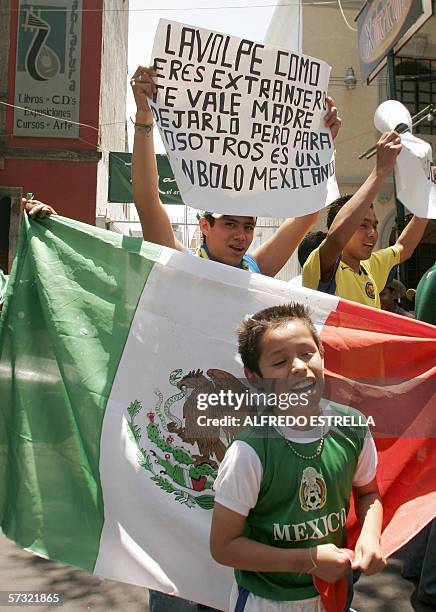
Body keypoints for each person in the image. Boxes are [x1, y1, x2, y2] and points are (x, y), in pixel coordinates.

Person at [211, 303, 386, 611]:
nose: (298, 367)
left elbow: (368, 493)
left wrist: (371, 537)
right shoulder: (249, 452)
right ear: (255, 379)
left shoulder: (353, 427)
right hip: (268, 601)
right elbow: (223, 547)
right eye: (279, 361)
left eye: (307, 353)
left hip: (334, 594)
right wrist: (306, 560)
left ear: (323, 354)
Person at [130, 66, 342, 277]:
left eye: (248, 227)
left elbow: (306, 216)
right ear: (205, 225)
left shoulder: (255, 270)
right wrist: (144, 115)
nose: (241, 236)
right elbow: (147, 203)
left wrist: (320, 146)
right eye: (230, 224)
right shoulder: (181, 264)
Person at [302, 131, 428, 308]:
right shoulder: (320, 265)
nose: (372, 233)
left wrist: (427, 198)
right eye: (362, 225)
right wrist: (380, 171)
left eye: (374, 225)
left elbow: (404, 247)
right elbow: (336, 239)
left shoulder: (370, 267)